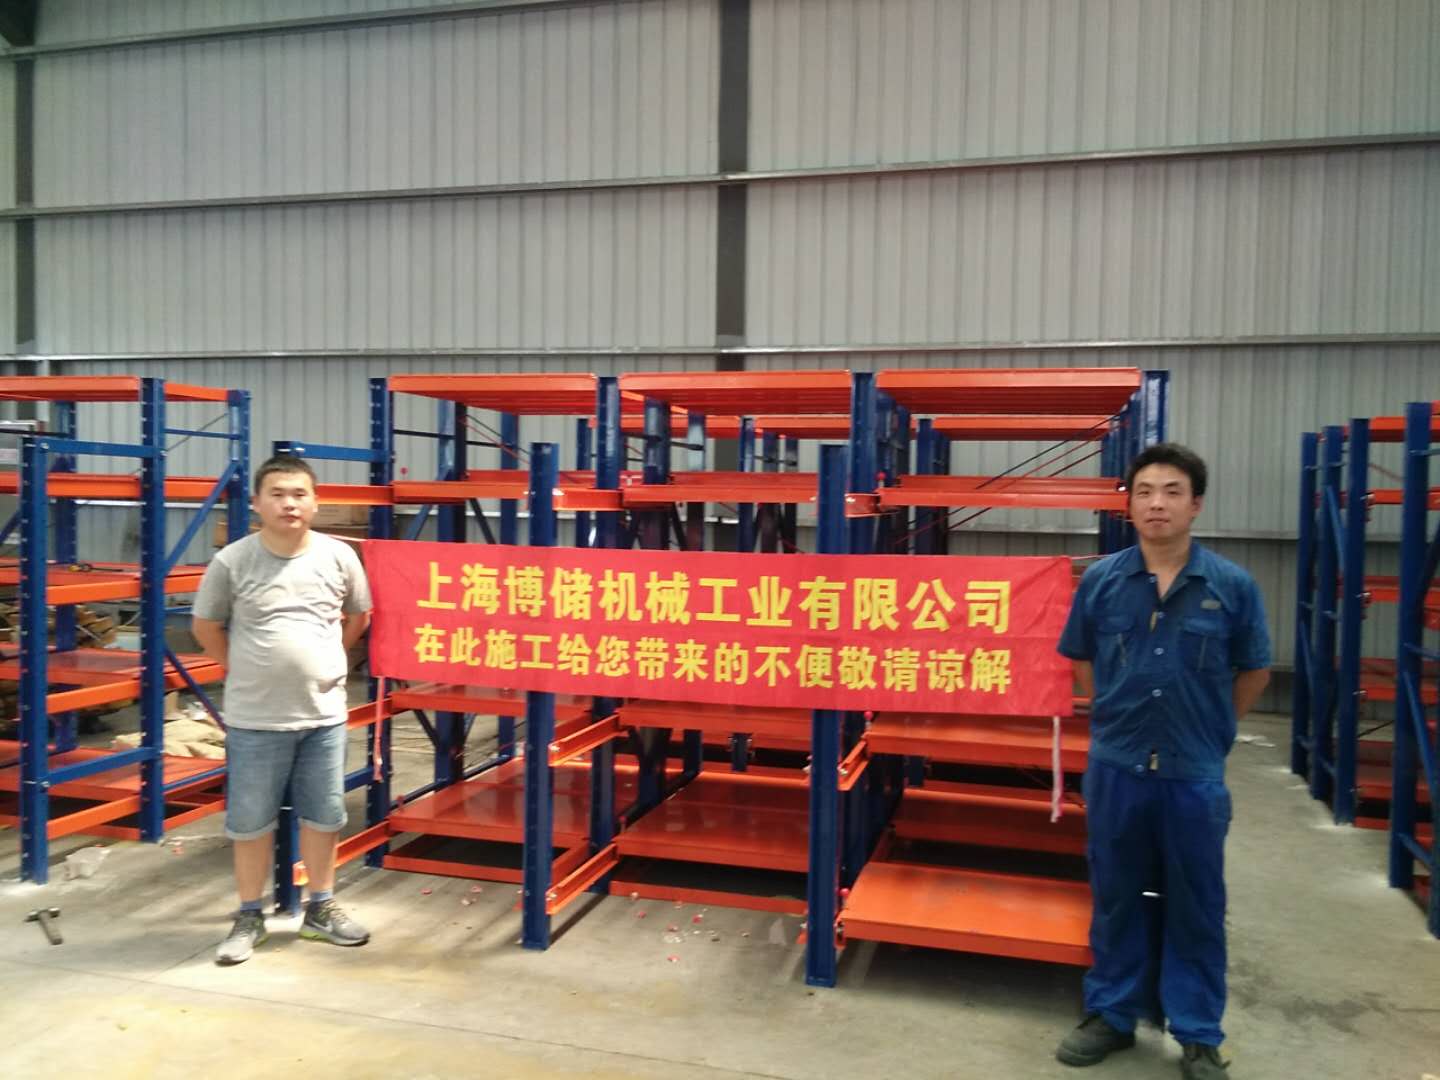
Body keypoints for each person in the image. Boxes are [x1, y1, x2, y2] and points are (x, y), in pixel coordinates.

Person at [1054, 444, 1271, 1079]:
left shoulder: (1231, 586)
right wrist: (1113, 712)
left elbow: (1254, 670)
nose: (1157, 504)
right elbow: (1082, 657)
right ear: (1129, 505)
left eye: (1172, 491)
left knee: (1197, 901)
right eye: (1144, 492)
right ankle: (1113, 1014)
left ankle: (1198, 1032)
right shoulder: (1102, 582)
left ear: (1195, 505)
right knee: (1116, 894)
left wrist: (1213, 730)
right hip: (1117, 765)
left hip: (1192, 772)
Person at [193, 454, 373, 965]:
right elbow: (206, 626)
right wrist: (243, 668)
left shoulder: (339, 556)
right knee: (250, 822)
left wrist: (327, 660)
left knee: (325, 816)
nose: (289, 503)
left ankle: (320, 907)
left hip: (323, 716)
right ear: (256, 503)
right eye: (276, 494)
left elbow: (359, 616)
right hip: (256, 719)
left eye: (298, 494)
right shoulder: (233, 561)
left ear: (315, 502)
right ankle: (250, 914)